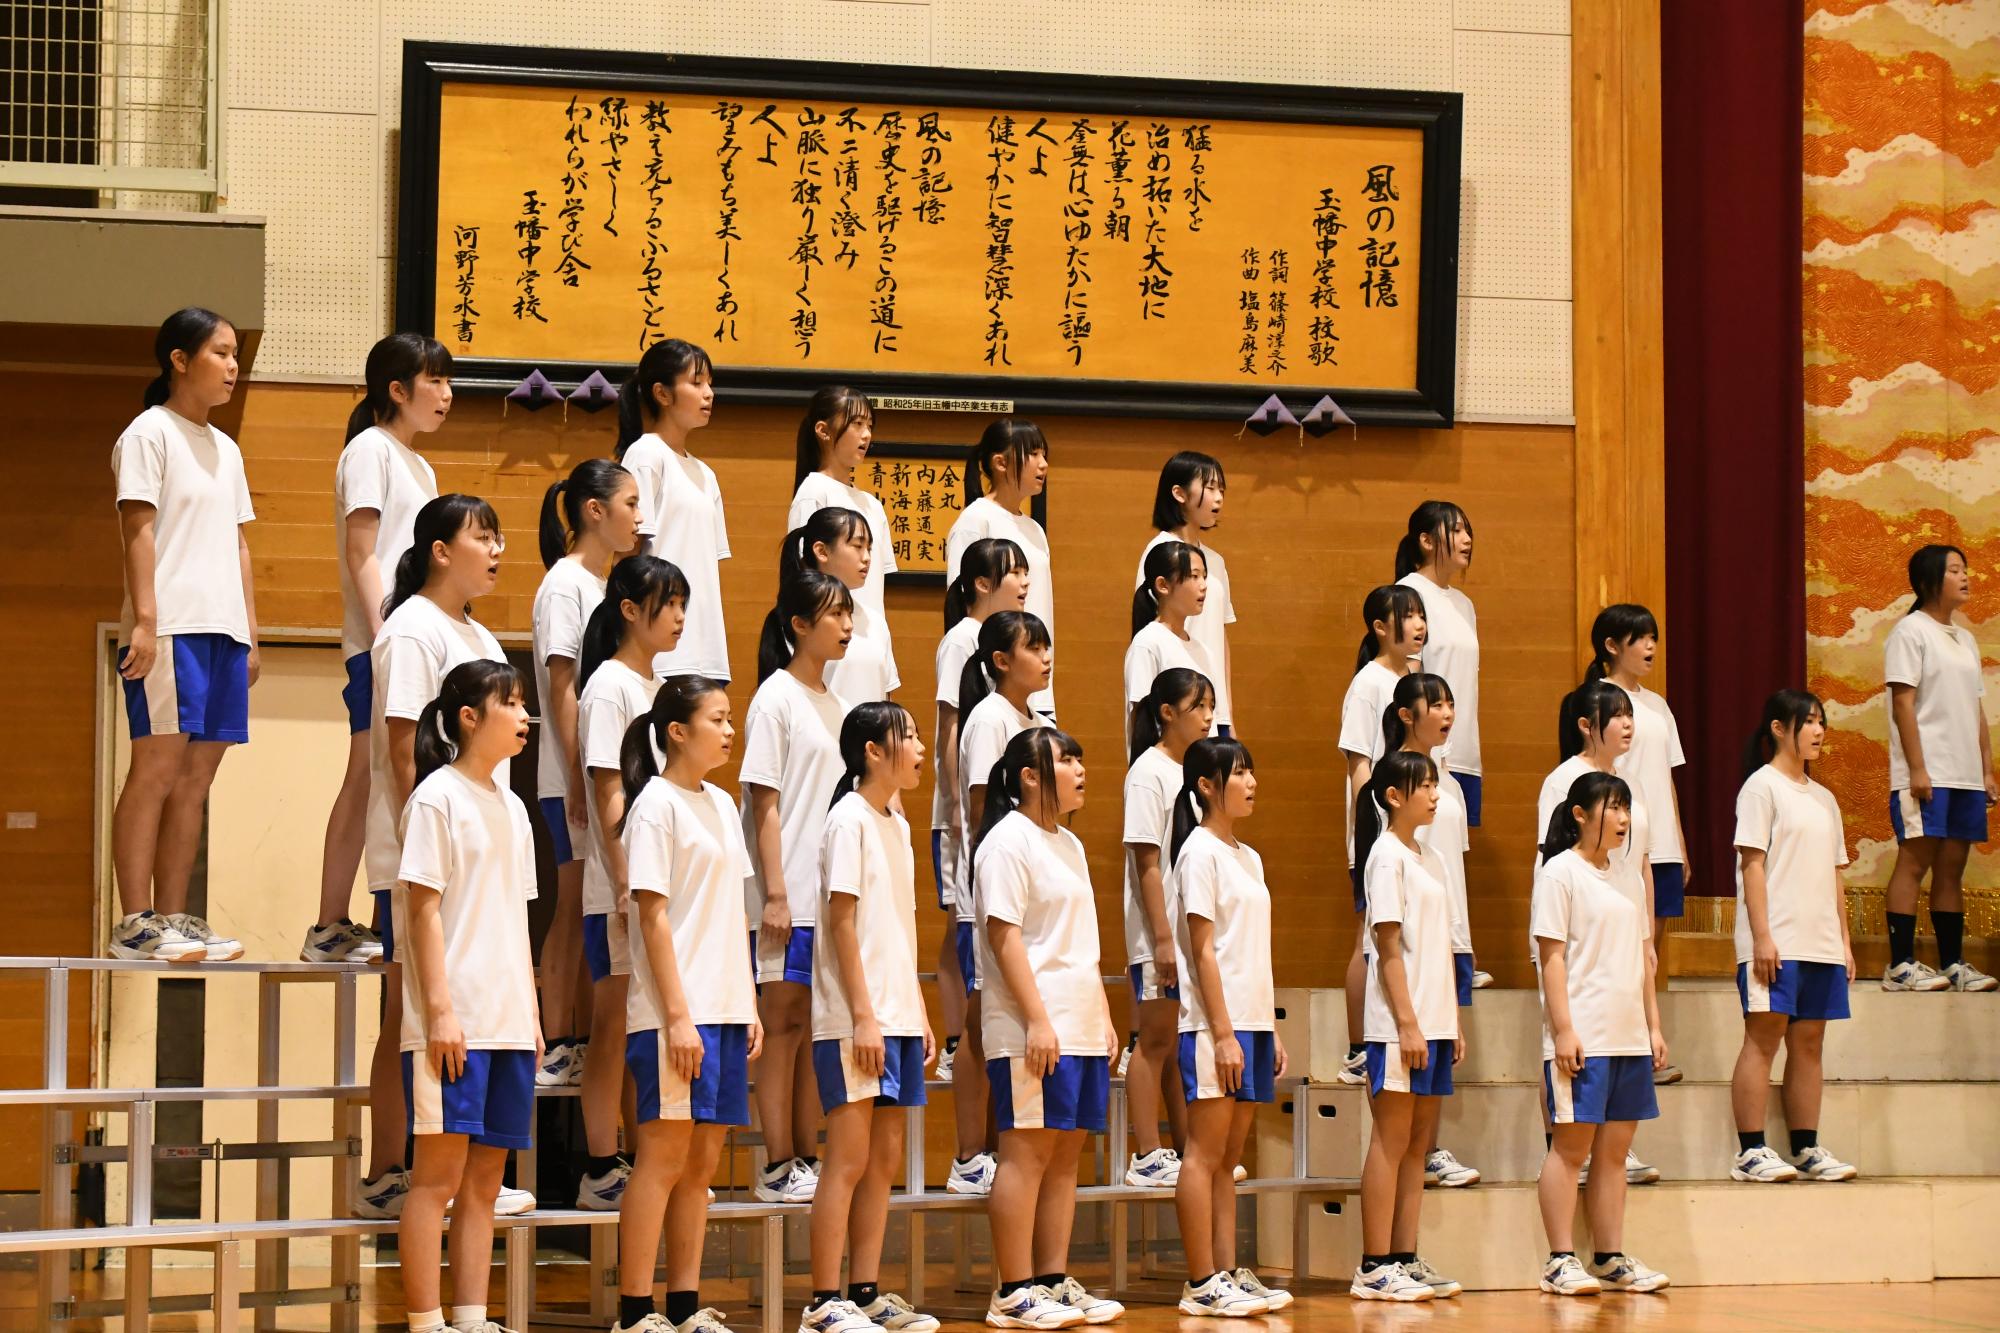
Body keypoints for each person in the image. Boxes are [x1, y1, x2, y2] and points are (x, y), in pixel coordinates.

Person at [357, 494, 524, 1222]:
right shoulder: (410, 630)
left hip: (483, 862)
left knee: (470, 1011)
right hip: (425, 859)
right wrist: (428, 841)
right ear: (441, 550)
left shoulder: (481, 636)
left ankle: (467, 1166)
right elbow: (405, 752)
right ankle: (388, 1169)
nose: (496, 550)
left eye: (499, 537)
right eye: (483, 537)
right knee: (411, 1010)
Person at [393, 661, 540, 1333]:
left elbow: (515, 918)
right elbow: (421, 910)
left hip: (507, 1023)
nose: (524, 716)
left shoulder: (513, 808)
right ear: (469, 717)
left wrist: (531, 1013)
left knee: (485, 1183)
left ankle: (473, 1318)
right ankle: (427, 1323)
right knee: (436, 1181)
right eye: (511, 703)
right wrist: (440, 1011)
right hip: (453, 1023)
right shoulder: (436, 798)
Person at [614, 675, 761, 1333]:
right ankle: (634, 1310)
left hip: (725, 1009)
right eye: (717, 719)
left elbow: (734, 913)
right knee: (663, 1159)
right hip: (673, 1013)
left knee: (701, 1165)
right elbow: (652, 916)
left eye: (731, 720)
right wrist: (677, 1015)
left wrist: (748, 1000)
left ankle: (683, 1304)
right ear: (677, 731)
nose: (729, 731)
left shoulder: (724, 805)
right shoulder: (654, 806)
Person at [109, 307, 256, 964]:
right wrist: (145, 620)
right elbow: (137, 529)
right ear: (179, 359)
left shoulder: (227, 448)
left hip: (223, 631)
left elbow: (238, 543)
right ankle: (134, 920)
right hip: (170, 627)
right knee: (157, 770)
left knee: (197, 779)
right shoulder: (149, 433)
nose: (232, 366)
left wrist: (250, 632)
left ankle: (173, 917)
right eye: (220, 352)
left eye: (235, 355)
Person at [306, 331, 449, 964]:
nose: (447, 394)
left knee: (394, 774)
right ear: (397, 389)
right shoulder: (369, 449)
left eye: (448, 381)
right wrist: (384, 632)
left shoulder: (419, 464)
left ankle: (377, 917)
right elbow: (362, 552)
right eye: (434, 380)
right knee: (366, 774)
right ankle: (328, 924)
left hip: (411, 642)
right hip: (380, 644)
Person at [975, 728, 1125, 1329]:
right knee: (1027, 1155)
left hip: (1078, 1021)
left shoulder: (1071, 844)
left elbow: (1081, 941)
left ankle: (1051, 1280)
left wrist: (1102, 1014)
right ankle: (1013, 1292)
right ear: (1030, 776)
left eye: (1080, 758)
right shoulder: (1006, 842)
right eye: (1067, 760)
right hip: (1029, 1026)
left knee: (1065, 1157)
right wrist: (1037, 1019)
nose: (1080, 769)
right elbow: (1004, 935)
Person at [802, 703, 938, 1333]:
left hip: (897, 1014)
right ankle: (822, 1301)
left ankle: (864, 1291)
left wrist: (916, 1010)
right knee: (848, 1160)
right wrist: (863, 1016)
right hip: (854, 1017)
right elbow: (841, 922)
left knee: (883, 1161)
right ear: (872, 752)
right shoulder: (847, 820)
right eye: (907, 736)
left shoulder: (897, 825)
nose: (919, 748)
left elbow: (897, 929)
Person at [573, 555, 691, 1210]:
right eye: (667, 603)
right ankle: (599, 1163)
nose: (678, 616)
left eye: (682, 604)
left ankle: (641, 1158)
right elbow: (606, 787)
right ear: (628, 610)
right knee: (612, 1026)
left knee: (641, 1024)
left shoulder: (662, 687)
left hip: (658, 890)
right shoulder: (609, 687)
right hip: (617, 889)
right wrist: (624, 882)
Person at [1531, 771, 1671, 1297]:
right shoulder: (1559, 873)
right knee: (1571, 1150)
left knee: (1615, 1153)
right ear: (1580, 814)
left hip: (1628, 1036)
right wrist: (1564, 1030)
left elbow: (1644, 958)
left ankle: (1610, 1257)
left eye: (1626, 808)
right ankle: (1559, 1260)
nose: (1623, 818)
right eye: (1613, 807)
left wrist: (1653, 1026)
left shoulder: (1630, 876)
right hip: (1583, 1037)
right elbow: (1551, 957)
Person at [1169, 737, 1293, 1317]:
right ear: (1207, 786)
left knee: (1229, 1158)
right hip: (1212, 1026)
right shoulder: (1198, 854)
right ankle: (1201, 1281)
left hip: (1252, 1021)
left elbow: (1252, 950)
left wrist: (1268, 1027)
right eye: (1239, 773)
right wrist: (1222, 1033)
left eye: (1251, 771)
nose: (1251, 783)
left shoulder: (1250, 857)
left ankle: (1225, 1271)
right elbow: (1203, 951)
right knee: (1203, 1153)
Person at [743, 571, 856, 1204]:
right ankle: (776, 1161)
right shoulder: (775, 698)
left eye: (849, 614)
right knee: (781, 1025)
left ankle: (806, 1155)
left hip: (825, 893)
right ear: (800, 625)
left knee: (816, 1028)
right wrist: (776, 893)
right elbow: (764, 800)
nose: (847, 626)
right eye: (835, 615)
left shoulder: (835, 705)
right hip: (785, 892)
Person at [532, 459, 643, 1087]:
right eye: (630, 503)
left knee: (587, 905)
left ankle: (578, 1037)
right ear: (594, 511)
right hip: (570, 776)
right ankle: (559, 1040)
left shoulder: (602, 584)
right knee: (573, 902)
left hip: (597, 774)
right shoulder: (565, 585)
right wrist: (577, 773)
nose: (639, 518)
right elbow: (561, 684)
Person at [1728, 690, 1860, 1185]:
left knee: (1809, 1042)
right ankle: (1750, 1151)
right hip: (1776, 940)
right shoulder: (1761, 788)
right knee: (1763, 1039)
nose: (1819, 730)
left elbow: (1835, 874)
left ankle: (1805, 1147)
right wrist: (1762, 937)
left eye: (1822, 721)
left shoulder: (1825, 799)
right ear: (1780, 729)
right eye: (1809, 721)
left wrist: (1843, 942)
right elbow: (1752, 865)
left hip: (1819, 942)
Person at [1534, 680, 1660, 1187]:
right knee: (1566, 1048)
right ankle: (1568, 1141)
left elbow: (1640, 861)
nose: (1628, 723)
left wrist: (1646, 939)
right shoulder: (1564, 780)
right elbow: (1550, 853)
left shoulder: (1632, 785)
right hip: (1573, 930)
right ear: (1588, 725)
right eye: (1617, 714)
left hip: (1622, 925)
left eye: (1631, 713)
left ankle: (1604, 1144)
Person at [947, 610, 1054, 1196]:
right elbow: (981, 810)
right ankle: (968, 1154)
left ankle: (994, 1144)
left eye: (1046, 646)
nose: (1046, 657)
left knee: (1002, 1021)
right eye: (1033, 648)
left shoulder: (1034, 720)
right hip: (990, 892)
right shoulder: (990, 717)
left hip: (1027, 893)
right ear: (1001, 661)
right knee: (978, 1020)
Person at [1349, 751, 1460, 1303]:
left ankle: (1404, 1256)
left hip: (1434, 1023)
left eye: (1437, 784)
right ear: (1394, 795)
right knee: (1391, 1141)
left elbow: (1440, 948)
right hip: (1398, 1028)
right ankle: (1374, 1265)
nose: (1436, 795)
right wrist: (1409, 1024)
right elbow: (1387, 947)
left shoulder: (1430, 857)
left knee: (1418, 1145)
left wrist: (1450, 1022)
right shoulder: (1386, 856)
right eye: (1426, 786)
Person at [931, 539, 1031, 1082]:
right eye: (1013, 572)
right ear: (982, 583)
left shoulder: (1009, 639)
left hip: (993, 814)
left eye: (1025, 571)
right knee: (964, 924)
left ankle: (964, 1039)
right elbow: (950, 724)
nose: (1024, 581)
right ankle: (957, 1039)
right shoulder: (963, 638)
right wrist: (956, 803)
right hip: (966, 812)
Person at [1881, 545, 1998, 992]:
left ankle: (1953, 963)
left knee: (1952, 868)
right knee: (1915, 861)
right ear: (1930, 580)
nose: (1965, 577)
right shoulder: (1910, 631)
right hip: (1927, 772)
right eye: (1954, 570)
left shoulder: (1965, 639)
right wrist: (1917, 768)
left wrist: (1985, 770)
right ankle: (1900, 966)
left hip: (1964, 775)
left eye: (1965, 569)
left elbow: (1975, 708)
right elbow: (1903, 704)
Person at [1382, 674, 1481, 1190]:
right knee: (1395, 1129)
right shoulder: (1390, 777)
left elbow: (1452, 864)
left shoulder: (1450, 784)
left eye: (1450, 704)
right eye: (1435, 704)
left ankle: (1431, 1148)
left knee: (1443, 1045)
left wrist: (1459, 933)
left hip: (1449, 929)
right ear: (1407, 714)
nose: (1446, 714)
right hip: (1409, 938)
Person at [1584, 603, 1691, 1078]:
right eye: (1640, 638)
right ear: (1611, 645)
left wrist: (1679, 843)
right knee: (1623, 948)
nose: (1650, 647)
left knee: (1649, 951)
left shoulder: (1659, 706)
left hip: (1660, 844)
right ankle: (1621, 1049)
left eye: (1654, 638)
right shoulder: (1596, 699)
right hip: (1620, 844)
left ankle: (1646, 1047)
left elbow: (1667, 780)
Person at [1120, 668, 1215, 1189]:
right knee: (1154, 1040)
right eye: (1199, 706)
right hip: (1158, 933)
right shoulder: (1148, 772)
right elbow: (1147, 861)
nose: (1209, 717)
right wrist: (1160, 939)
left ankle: (1186, 1148)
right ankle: (1146, 1153)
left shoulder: (1196, 773)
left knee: (1179, 1044)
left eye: (1212, 706)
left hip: (1186, 930)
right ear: (1166, 713)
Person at [1336, 585, 1426, 1085]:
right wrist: (1370, 832)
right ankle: (1356, 1049)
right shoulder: (1368, 683)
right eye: (1407, 616)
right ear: (1380, 627)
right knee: (1367, 934)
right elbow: (1359, 765)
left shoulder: (1412, 680)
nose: (1418, 625)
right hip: (1377, 829)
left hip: (1405, 831)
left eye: (1420, 615)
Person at [616, 338, 729, 681]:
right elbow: (628, 553)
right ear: (662, 394)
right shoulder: (646, 454)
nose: (708, 393)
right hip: (660, 652)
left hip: (705, 650)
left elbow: (707, 567)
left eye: (710, 383)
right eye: (696, 383)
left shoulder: (706, 474)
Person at [790, 386, 898, 690]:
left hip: (870, 643)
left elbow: (876, 591)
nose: (866, 435)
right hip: (831, 651)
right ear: (823, 431)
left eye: (870, 425)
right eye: (856, 424)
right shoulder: (814, 493)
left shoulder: (872, 505)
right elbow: (804, 580)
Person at [945, 418, 1055, 715]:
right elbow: (963, 604)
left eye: (1044, 454)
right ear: (1000, 462)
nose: (1043, 464)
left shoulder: (1035, 529)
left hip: (1036, 690)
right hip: (994, 685)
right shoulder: (975, 520)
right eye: (1033, 454)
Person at [1137, 452, 1238, 735]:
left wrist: (1228, 714)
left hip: (1214, 709)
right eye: (1210, 488)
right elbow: (1150, 626)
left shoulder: (1215, 561)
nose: (1219, 498)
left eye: (1222, 490)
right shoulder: (1159, 553)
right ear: (1179, 493)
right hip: (1180, 708)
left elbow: (1220, 637)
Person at [1395, 502, 1482, 824]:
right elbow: (1406, 679)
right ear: (1427, 540)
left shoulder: (1464, 604)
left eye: (1467, 531)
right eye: (1456, 530)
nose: (1467, 539)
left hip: (1464, 753)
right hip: (1426, 753)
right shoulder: (1409, 593)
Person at [778, 508, 897, 703]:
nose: (867, 557)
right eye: (857, 546)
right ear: (822, 551)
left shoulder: (875, 622)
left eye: (869, 549)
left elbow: (885, 695)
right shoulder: (800, 619)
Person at [1123, 542, 1212, 750]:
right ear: (1163, 585)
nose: (1203, 585)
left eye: (1204, 576)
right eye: (1194, 576)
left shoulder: (1203, 650)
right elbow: (1142, 722)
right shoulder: (1148, 643)